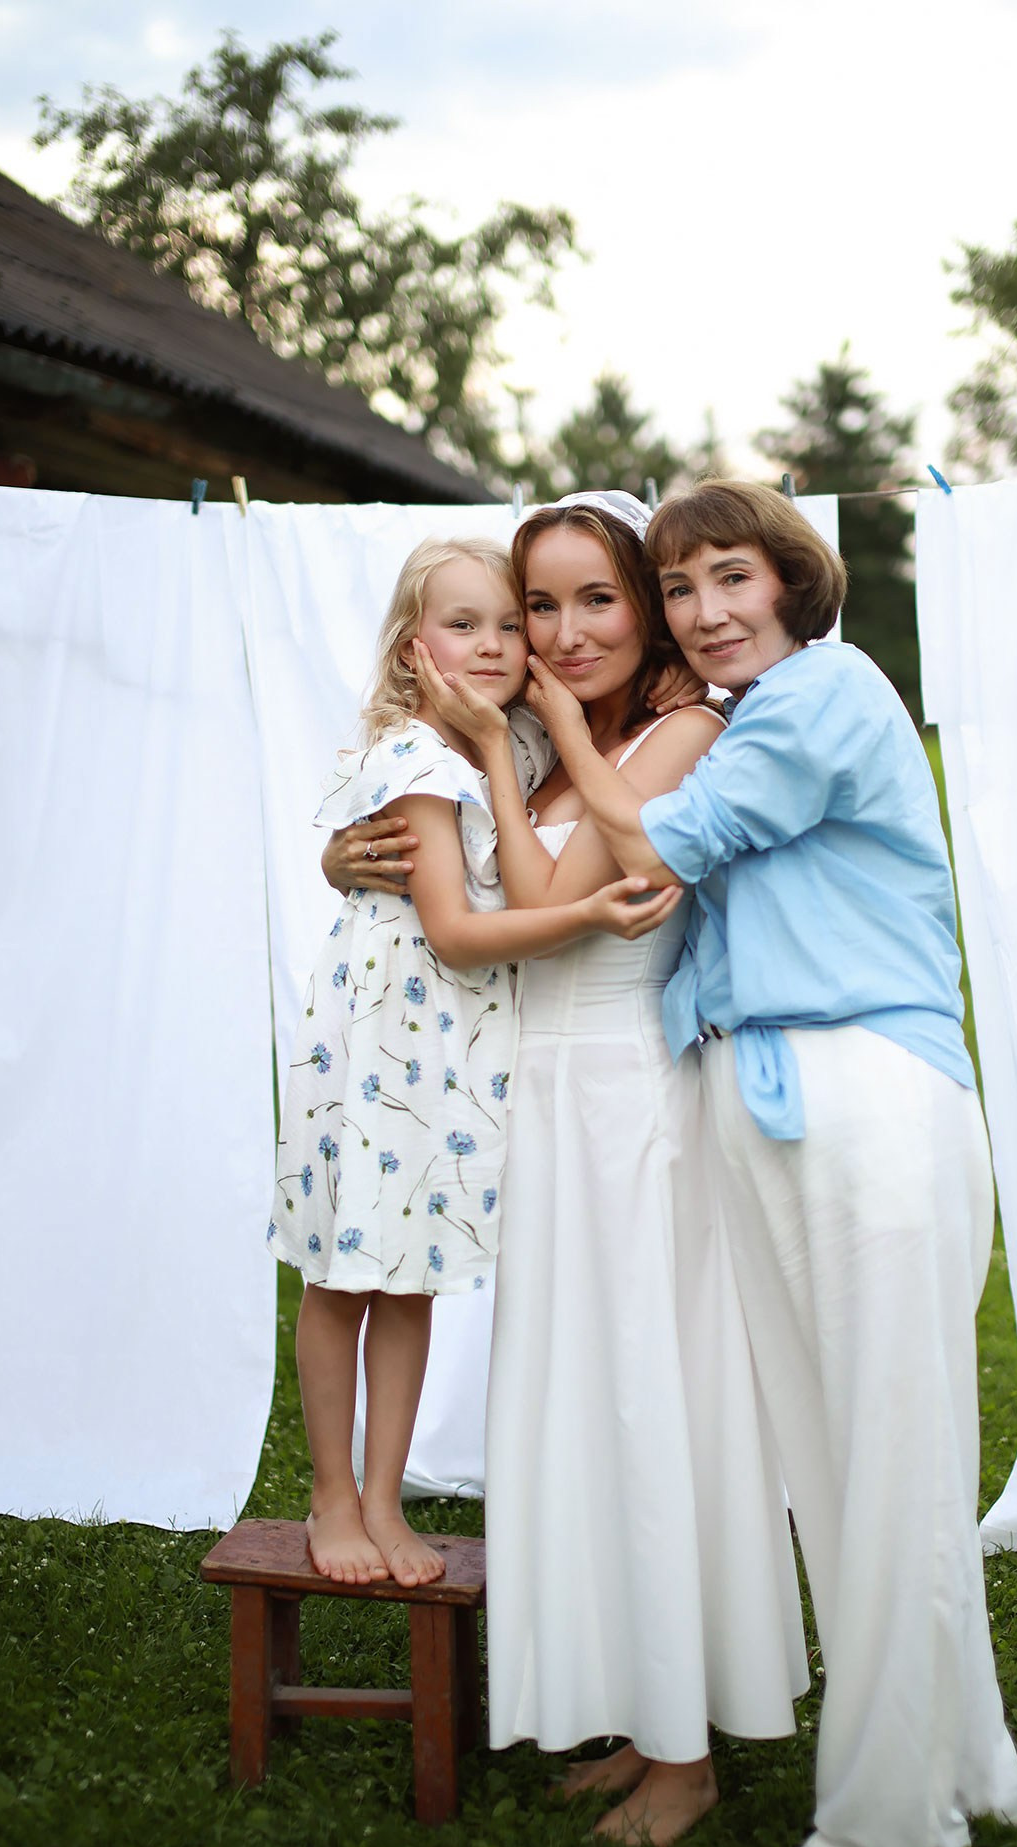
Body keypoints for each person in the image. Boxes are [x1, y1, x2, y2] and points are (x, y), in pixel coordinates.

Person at [524, 480, 1017, 1847]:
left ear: (792, 582)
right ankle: (966, 1765)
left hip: (863, 1085)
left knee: (888, 1467)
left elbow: (654, 848)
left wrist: (565, 726)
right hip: (770, 1093)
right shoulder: (754, 716)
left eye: (729, 579)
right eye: (681, 590)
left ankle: (881, 1828)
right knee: (847, 1471)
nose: (706, 612)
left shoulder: (823, 692)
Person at [326, 494, 808, 1847]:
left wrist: (489, 745)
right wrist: (347, 849)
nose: (562, 630)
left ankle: (689, 1755)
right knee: (582, 1414)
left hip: (622, 1109)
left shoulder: (678, 731)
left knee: (651, 1408)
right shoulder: (562, 741)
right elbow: (445, 886)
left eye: (597, 599)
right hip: (541, 1106)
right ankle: (626, 1705)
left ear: (644, 609)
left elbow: (534, 914)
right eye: (541, 605)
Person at [270, 536, 680, 1591]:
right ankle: (329, 1493)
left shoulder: (512, 748)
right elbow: (451, 930)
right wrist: (587, 914)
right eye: (464, 625)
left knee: (406, 1283)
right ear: (416, 649)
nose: (496, 643)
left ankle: (384, 1496)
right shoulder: (419, 760)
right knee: (343, 1277)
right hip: (379, 1051)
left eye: (510, 623)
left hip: (441, 1053)